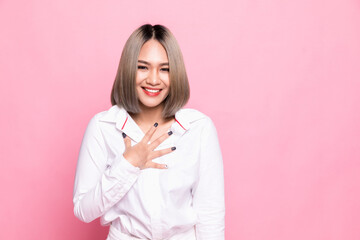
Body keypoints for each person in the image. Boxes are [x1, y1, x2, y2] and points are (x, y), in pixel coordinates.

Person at [73, 24, 225, 240]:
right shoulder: (103, 126)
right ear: (128, 69)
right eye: (143, 67)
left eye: (165, 69)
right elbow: (83, 210)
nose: (154, 80)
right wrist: (127, 164)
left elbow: (210, 215)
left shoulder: (199, 129)